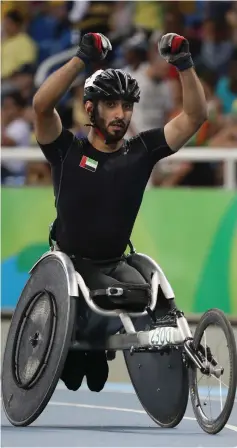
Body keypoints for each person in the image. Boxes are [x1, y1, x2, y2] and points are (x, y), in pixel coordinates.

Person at [33, 32, 207, 392]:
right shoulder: (66, 151)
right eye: (111, 105)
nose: (120, 114)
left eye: (127, 106)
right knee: (117, 293)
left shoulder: (142, 151)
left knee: (147, 293)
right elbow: (41, 105)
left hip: (115, 262)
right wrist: (82, 58)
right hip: (73, 265)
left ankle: (99, 345)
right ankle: (79, 345)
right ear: (90, 108)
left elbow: (194, 116)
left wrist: (184, 64)